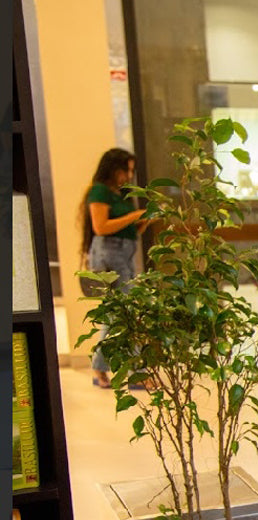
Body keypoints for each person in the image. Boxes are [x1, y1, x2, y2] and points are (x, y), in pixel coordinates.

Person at [81, 148, 149, 389]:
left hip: (126, 253)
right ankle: (139, 373)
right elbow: (101, 227)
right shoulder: (99, 191)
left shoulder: (122, 194)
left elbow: (130, 230)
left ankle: (100, 369)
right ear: (113, 168)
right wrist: (134, 217)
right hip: (109, 255)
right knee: (127, 313)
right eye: (125, 169)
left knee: (116, 315)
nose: (128, 175)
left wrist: (144, 220)